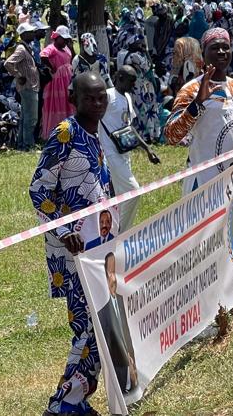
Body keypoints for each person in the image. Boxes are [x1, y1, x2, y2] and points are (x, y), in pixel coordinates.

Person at [29, 72, 112, 416]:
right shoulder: (66, 133)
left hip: (98, 247)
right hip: (73, 251)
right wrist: (64, 231)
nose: (97, 103)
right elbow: (39, 189)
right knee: (86, 326)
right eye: (89, 97)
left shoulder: (94, 134)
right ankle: (61, 404)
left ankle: (77, 399)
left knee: (98, 324)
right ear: (73, 98)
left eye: (101, 97)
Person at [165, 28, 233, 195]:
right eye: (215, 47)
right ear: (203, 53)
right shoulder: (191, 89)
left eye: (226, 47)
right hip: (203, 185)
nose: (221, 51)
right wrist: (198, 103)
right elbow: (172, 135)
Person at [99, 66, 144, 227]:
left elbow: (130, 127)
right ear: (119, 77)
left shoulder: (128, 97)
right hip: (110, 154)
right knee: (134, 192)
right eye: (131, 81)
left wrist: (147, 149)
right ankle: (122, 232)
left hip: (124, 153)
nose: (133, 85)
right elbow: (93, 119)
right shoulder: (108, 96)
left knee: (119, 197)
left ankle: (115, 230)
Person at [96, 252, 140, 398]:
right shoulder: (102, 311)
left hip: (131, 367)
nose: (114, 278)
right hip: (121, 370)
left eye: (114, 273)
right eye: (109, 274)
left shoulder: (121, 300)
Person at [4, 21, 43, 150]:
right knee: (31, 118)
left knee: (25, 117)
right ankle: (28, 145)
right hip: (28, 87)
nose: (33, 34)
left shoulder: (26, 48)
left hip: (30, 86)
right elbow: (8, 63)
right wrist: (18, 75)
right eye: (30, 32)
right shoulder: (21, 49)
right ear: (24, 34)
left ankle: (21, 143)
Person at [40, 25, 76, 137]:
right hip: (57, 81)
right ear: (57, 37)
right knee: (58, 104)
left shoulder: (66, 48)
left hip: (67, 79)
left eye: (67, 39)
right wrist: (52, 67)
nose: (65, 41)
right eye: (63, 39)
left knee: (67, 102)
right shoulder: (52, 48)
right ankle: (55, 131)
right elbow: (43, 56)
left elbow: (73, 58)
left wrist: (71, 46)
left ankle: (68, 129)